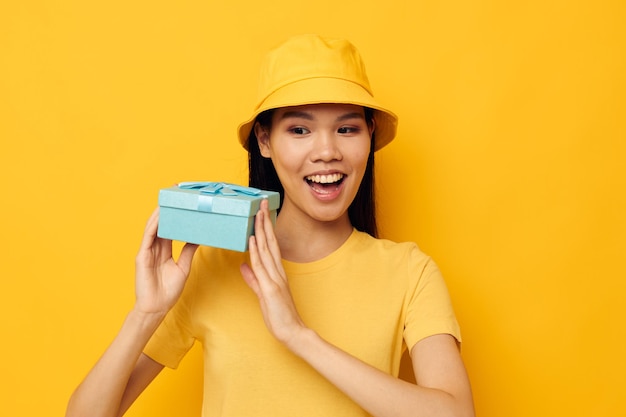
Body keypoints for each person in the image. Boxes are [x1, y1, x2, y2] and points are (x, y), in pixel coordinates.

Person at [67, 34, 475, 417]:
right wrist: (146, 314)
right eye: (299, 130)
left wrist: (299, 337)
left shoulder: (409, 271)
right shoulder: (213, 266)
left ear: (369, 136)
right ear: (264, 141)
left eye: (347, 129)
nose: (327, 152)